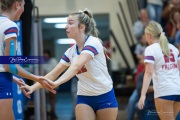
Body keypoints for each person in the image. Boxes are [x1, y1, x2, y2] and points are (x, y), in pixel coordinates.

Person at [20, 8, 118, 120]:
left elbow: (76, 67)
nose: (66, 26)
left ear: (82, 27)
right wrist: (33, 87)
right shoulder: (70, 52)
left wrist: (56, 83)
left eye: (70, 23)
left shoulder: (93, 42)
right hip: (84, 97)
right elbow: (53, 73)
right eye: (66, 23)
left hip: (104, 95)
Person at [0, 0, 55, 120]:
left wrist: (14, 78)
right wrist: (37, 78)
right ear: (17, 4)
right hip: (2, 83)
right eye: (24, 6)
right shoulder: (10, 26)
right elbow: (10, 66)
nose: (24, 10)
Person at [138, 21, 180, 120]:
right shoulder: (174, 48)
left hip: (164, 92)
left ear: (148, 35)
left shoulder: (150, 49)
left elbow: (148, 73)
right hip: (178, 91)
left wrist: (143, 95)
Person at [43, 50, 58, 119]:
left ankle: (52, 111)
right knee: (44, 98)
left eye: (47, 56)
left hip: (52, 82)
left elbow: (56, 72)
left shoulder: (53, 61)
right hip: (44, 83)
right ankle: (45, 111)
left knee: (52, 98)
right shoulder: (42, 62)